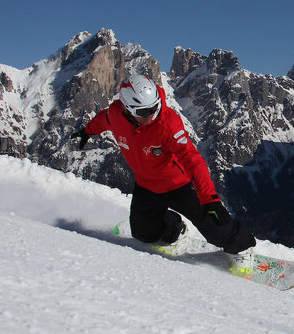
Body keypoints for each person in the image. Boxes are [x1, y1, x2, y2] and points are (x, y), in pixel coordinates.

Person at [73, 74, 255, 257]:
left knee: (217, 228)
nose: (152, 113)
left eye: (155, 106)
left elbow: (192, 158)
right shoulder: (115, 115)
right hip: (146, 187)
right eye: (144, 111)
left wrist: (210, 199)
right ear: (127, 109)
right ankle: (175, 228)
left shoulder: (168, 122)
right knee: (142, 234)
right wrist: (87, 131)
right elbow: (103, 119)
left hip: (180, 186)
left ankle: (243, 250)